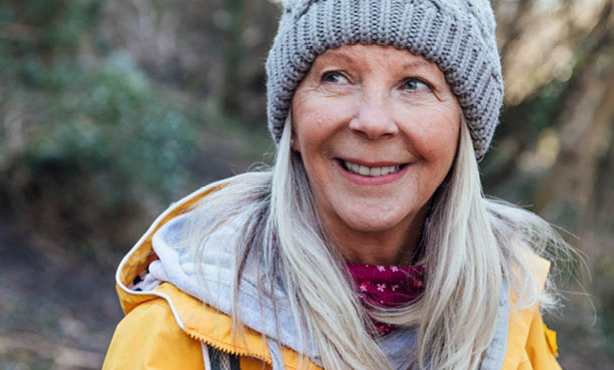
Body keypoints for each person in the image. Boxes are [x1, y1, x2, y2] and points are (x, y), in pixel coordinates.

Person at [102, 1, 569, 369]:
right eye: (336, 76)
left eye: (414, 84)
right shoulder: (175, 337)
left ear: (462, 130)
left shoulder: (510, 316)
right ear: (294, 119)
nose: (372, 121)